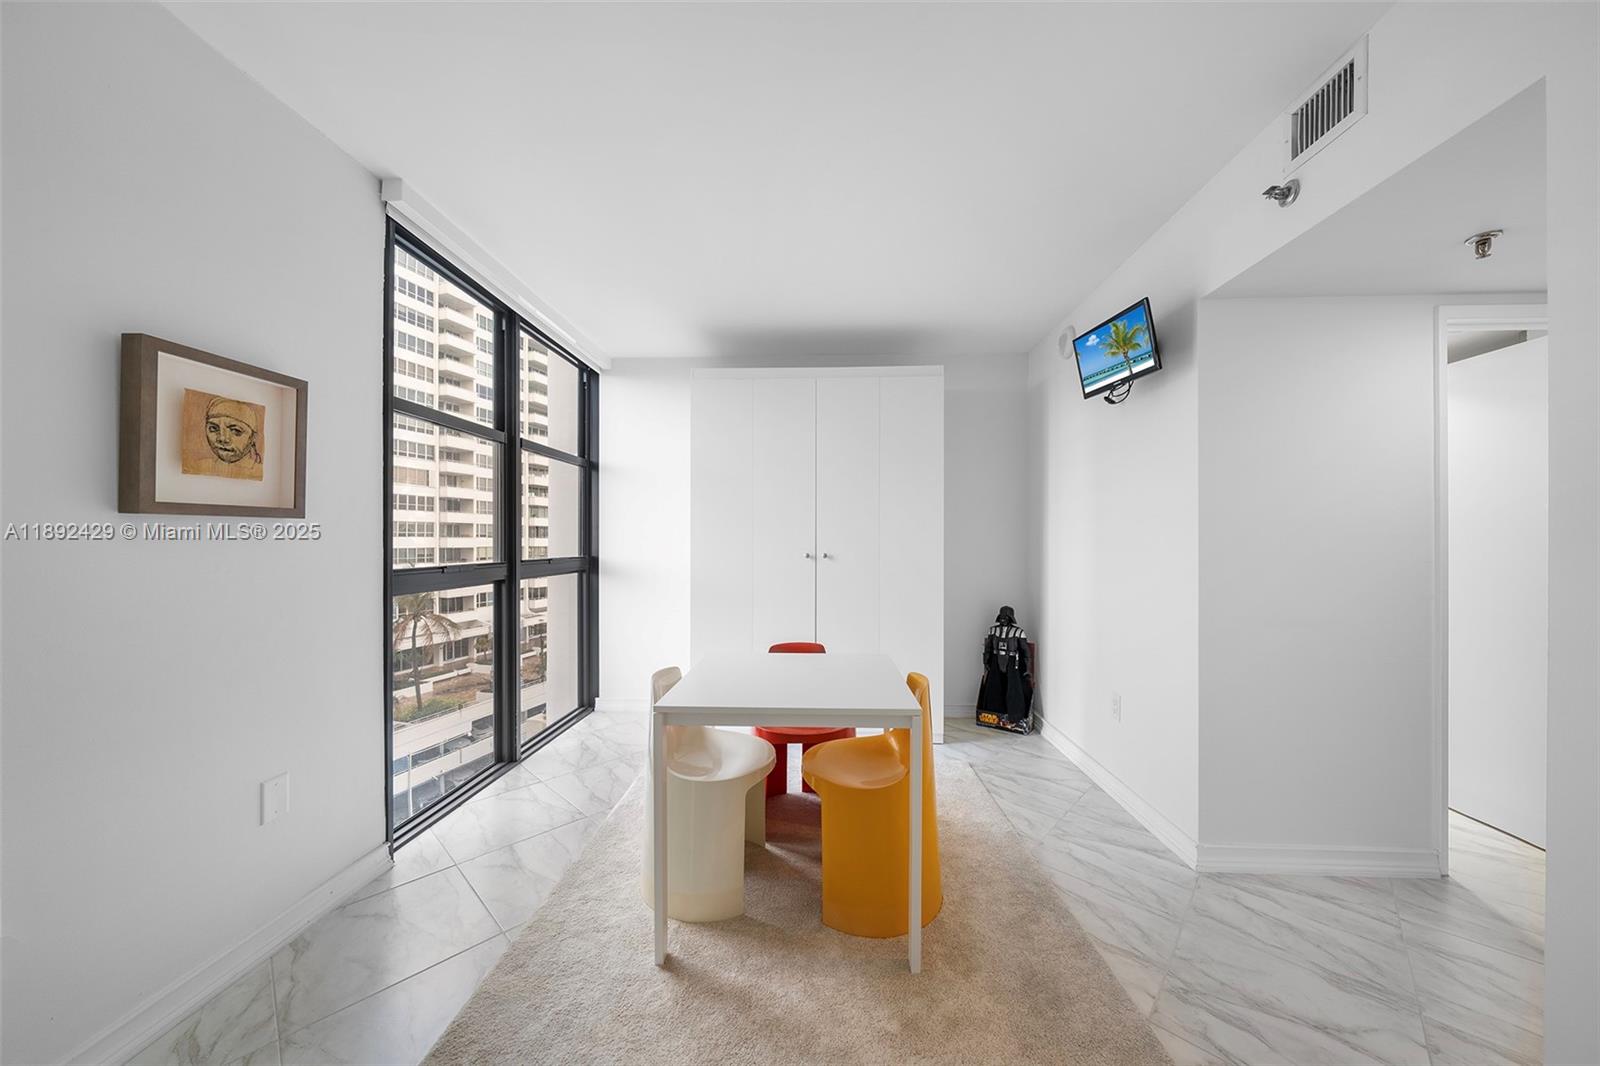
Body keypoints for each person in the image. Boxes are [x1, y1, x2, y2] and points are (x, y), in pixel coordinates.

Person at [975, 606, 1033, 733]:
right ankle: (993, 714)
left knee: (1014, 689)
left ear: (1011, 618)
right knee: (994, 688)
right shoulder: (993, 630)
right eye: (1001, 616)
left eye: (1006, 617)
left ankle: (1015, 717)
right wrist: (986, 662)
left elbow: (1026, 652)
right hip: (996, 661)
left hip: (1013, 662)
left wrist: (1028, 669)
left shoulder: (1018, 632)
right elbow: (988, 648)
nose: (1003, 619)